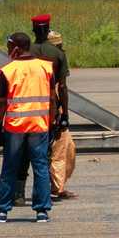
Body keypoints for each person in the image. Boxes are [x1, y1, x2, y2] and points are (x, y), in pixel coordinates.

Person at [0, 32, 55, 224]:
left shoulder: (8, 70)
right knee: (41, 167)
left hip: (15, 127)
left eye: (9, 46)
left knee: (9, 167)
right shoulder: (46, 67)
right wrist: (51, 122)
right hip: (39, 125)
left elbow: (1, 102)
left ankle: (2, 210)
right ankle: (42, 211)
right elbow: (52, 98)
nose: (7, 50)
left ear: (16, 48)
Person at [16, 13, 70, 205]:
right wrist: (65, 114)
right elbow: (62, 87)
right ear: (48, 30)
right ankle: (41, 194)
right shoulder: (57, 54)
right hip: (48, 110)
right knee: (43, 154)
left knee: (21, 153)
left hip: (22, 108)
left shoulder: (23, 52)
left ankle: (18, 194)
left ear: (33, 30)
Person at [45, 31, 78, 201]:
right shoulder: (57, 58)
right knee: (59, 150)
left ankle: (59, 185)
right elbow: (62, 88)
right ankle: (56, 189)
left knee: (68, 147)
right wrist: (64, 114)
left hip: (50, 108)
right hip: (52, 109)